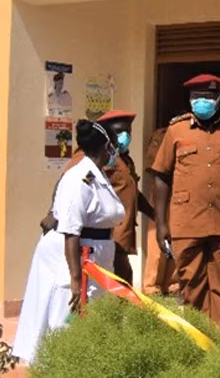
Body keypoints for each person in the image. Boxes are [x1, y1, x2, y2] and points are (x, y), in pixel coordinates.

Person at [13, 120, 125, 363]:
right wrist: (75, 279)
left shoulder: (97, 176)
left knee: (91, 318)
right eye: (114, 147)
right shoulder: (79, 179)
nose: (116, 153)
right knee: (67, 316)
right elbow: (71, 231)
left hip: (95, 253)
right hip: (74, 255)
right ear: (106, 146)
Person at [150, 74, 220, 340]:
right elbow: (161, 177)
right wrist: (161, 223)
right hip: (186, 223)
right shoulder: (176, 131)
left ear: (219, 99)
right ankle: (196, 345)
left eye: (208, 97)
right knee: (191, 286)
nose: (203, 102)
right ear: (190, 100)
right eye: (197, 97)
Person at [39, 111, 154, 285]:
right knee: (118, 286)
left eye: (128, 131)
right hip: (100, 236)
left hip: (118, 236)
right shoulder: (88, 156)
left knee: (120, 283)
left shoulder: (124, 160)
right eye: (119, 131)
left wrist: (155, 216)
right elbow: (67, 183)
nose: (125, 136)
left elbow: (132, 192)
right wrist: (53, 212)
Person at [141, 126, 178, 296]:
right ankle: (152, 288)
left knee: (177, 242)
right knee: (157, 242)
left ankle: (173, 285)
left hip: (182, 195)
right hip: (161, 193)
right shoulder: (162, 134)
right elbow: (152, 166)